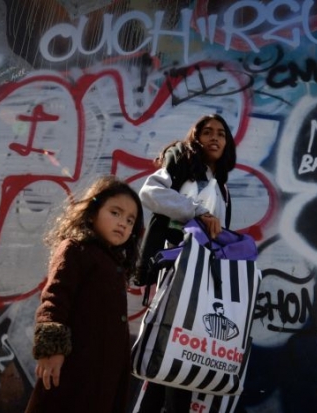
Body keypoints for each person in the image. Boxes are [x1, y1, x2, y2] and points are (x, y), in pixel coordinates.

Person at [132, 113, 237, 412]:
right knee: (166, 349)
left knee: (183, 353)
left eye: (221, 133)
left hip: (203, 284)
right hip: (175, 272)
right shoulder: (181, 165)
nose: (214, 137)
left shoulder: (223, 189)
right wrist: (195, 212)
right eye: (207, 132)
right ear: (197, 137)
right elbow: (150, 192)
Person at [25, 175, 144, 413]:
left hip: (104, 373)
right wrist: (52, 350)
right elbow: (55, 298)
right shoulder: (75, 249)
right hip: (74, 366)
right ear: (92, 213)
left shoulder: (113, 262)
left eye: (130, 220)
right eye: (115, 213)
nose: (123, 223)